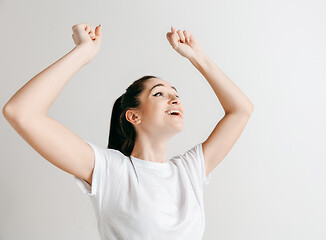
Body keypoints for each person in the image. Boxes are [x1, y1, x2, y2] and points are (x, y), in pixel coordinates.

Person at [2, 23, 255, 240]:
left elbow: (242, 109)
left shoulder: (189, 171)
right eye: (159, 93)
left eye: (176, 95)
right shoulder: (111, 171)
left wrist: (197, 56)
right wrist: (83, 52)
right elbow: (21, 112)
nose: (174, 99)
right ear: (133, 116)